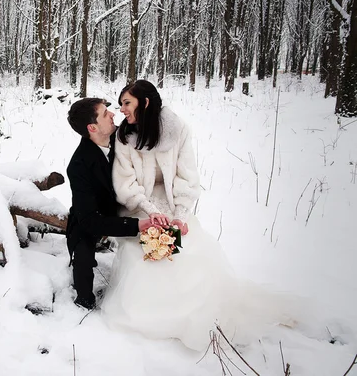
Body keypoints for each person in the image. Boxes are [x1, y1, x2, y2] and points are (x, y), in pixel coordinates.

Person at [101, 80, 297, 350]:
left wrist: (179, 216)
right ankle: (155, 316)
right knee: (147, 254)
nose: (121, 109)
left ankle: (198, 313)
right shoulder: (124, 137)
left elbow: (187, 176)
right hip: (141, 205)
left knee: (189, 248)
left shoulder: (177, 130)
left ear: (145, 103)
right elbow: (125, 184)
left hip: (173, 204)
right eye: (121, 104)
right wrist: (153, 213)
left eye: (127, 103)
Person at [66, 97, 160, 311]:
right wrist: (135, 226)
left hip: (127, 203)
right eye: (105, 113)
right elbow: (89, 220)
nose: (113, 114)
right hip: (93, 215)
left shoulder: (122, 138)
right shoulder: (78, 166)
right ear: (92, 127)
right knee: (82, 251)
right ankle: (84, 301)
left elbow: (148, 121)